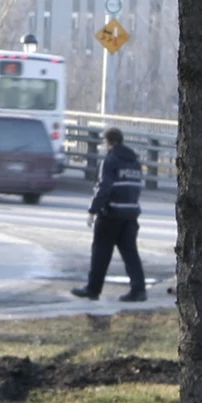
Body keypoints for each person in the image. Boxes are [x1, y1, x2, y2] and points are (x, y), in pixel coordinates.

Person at [74, 127, 146, 302]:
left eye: (104, 142)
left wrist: (93, 210)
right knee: (130, 253)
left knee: (101, 253)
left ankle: (93, 289)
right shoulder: (135, 163)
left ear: (110, 141)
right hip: (130, 214)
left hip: (111, 214)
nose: (103, 145)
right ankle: (139, 290)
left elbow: (103, 188)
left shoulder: (110, 161)